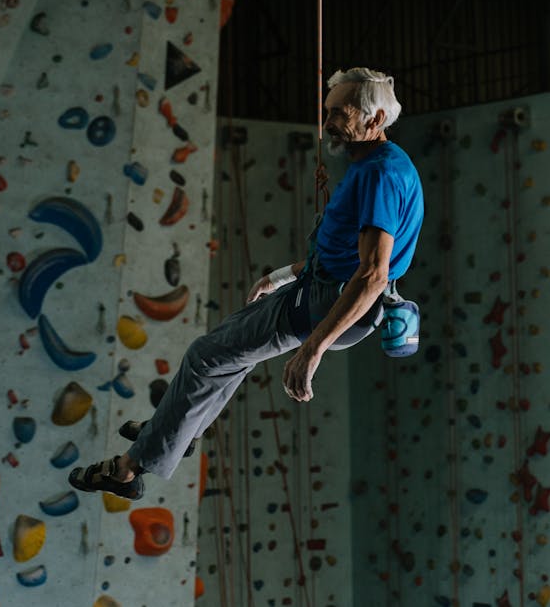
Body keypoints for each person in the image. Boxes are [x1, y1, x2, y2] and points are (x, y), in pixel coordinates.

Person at [69, 66, 425, 500]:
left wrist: (312, 349)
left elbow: (372, 274)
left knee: (207, 356)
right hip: (319, 290)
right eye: (327, 111)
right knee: (222, 351)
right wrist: (279, 277)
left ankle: (128, 470)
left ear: (374, 121)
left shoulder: (379, 175)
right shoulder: (379, 164)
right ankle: (172, 426)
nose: (327, 122)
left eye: (339, 113)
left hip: (327, 305)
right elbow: (338, 251)